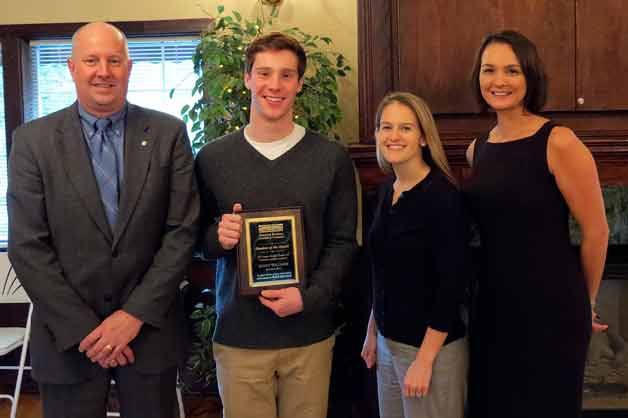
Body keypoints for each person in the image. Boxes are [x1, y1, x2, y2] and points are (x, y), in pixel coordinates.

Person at [7, 22, 199, 418]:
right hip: (67, 340)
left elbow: (181, 232)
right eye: (92, 60)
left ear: (129, 67)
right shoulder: (32, 141)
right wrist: (86, 331)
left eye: (114, 60)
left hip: (148, 335)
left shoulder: (169, 134)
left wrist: (130, 318)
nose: (103, 71)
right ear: (72, 67)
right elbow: (28, 245)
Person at [194, 32, 357, 418]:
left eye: (287, 75)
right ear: (247, 78)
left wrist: (309, 297)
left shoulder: (331, 158)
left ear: (300, 83)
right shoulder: (212, 158)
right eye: (264, 73)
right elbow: (193, 241)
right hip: (240, 338)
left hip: (309, 335)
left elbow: (343, 243)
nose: (275, 85)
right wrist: (218, 236)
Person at [463, 30, 609, 418]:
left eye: (512, 70)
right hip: (493, 309)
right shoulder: (477, 149)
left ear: (530, 77)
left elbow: (596, 231)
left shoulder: (558, 141)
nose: (499, 81)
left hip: (551, 311)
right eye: (489, 70)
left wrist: (586, 300)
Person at [360, 92, 469, 418]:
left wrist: (424, 361)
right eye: (385, 127)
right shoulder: (386, 190)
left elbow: (451, 286)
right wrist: (372, 330)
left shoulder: (443, 198)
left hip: (430, 350)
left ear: (423, 136)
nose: (393, 136)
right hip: (388, 345)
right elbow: (383, 269)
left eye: (405, 128)